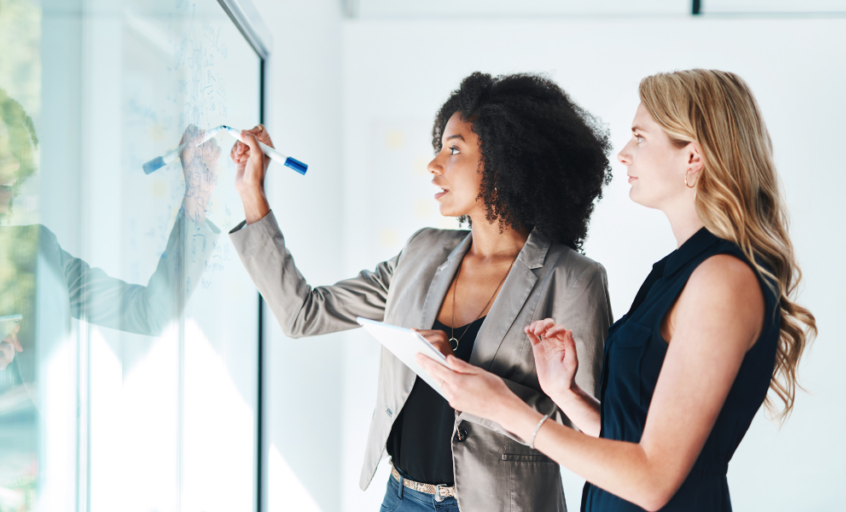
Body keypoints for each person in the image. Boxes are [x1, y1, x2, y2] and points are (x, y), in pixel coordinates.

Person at [418, 69, 818, 512]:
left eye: (640, 138)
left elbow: (651, 480)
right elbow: (633, 438)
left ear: (693, 158)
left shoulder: (721, 281)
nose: (623, 155)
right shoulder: (679, 272)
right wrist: (565, 394)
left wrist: (505, 408)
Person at [227, 72, 613, 511]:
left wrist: (477, 383)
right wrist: (250, 193)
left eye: (454, 149)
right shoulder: (421, 252)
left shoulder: (574, 279)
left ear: (508, 160)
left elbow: (590, 435)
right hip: (400, 498)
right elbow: (303, 313)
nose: (433, 165)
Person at [0, 70, 223, 510]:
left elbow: (151, 313)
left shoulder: (37, 253)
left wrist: (197, 199)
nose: (15, 166)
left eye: (19, 151)